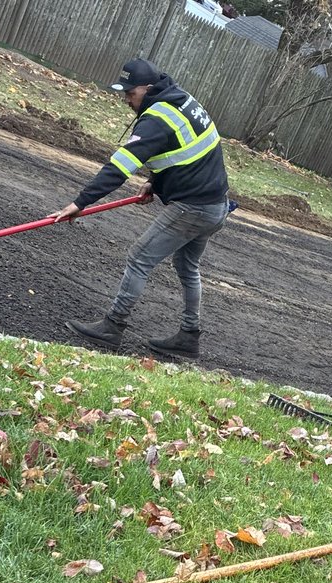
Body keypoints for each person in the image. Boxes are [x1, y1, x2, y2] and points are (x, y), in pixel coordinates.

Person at [53, 58, 230, 359]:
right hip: (216, 204)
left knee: (138, 258)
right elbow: (185, 152)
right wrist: (156, 182)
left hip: (194, 208)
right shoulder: (179, 99)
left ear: (147, 88)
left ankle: (113, 326)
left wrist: (79, 203)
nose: (126, 99)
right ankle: (189, 337)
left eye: (130, 93)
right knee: (187, 267)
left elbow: (119, 167)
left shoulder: (156, 119)